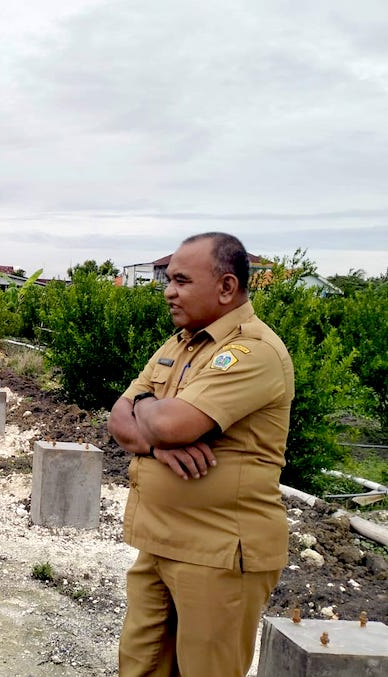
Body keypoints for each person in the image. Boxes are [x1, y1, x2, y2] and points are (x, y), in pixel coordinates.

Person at [108, 233, 294, 677]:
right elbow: (117, 417)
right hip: (158, 542)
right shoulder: (179, 343)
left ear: (227, 287)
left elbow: (173, 423)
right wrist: (155, 442)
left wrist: (148, 409)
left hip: (217, 551)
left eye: (181, 281)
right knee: (139, 666)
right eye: (168, 280)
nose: (168, 291)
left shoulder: (253, 352)